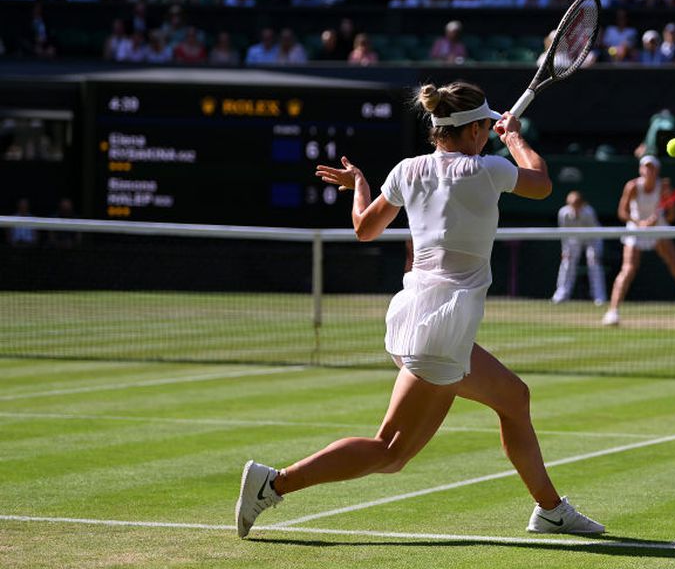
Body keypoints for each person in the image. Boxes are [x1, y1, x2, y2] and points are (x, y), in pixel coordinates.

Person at [236, 81, 604, 538]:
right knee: (390, 450)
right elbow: (541, 183)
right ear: (472, 132)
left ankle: (549, 509)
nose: (489, 132)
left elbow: (364, 228)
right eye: (485, 127)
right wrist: (513, 138)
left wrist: (360, 185)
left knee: (514, 398)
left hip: (421, 315)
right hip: (440, 329)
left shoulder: (407, 170)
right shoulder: (487, 169)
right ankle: (272, 483)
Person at [602, 155, 675, 328]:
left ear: (657, 171)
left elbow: (671, 216)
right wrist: (639, 222)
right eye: (645, 167)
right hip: (635, 228)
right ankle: (613, 312)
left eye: (652, 167)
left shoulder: (663, 187)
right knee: (628, 269)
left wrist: (663, 209)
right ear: (641, 170)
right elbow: (622, 212)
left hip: (658, 229)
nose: (648, 170)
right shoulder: (632, 186)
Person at [551, 190, 606, 306]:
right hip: (574, 238)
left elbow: (594, 233)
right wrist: (565, 250)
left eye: (577, 204)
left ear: (582, 204)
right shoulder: (563, 213)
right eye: (572, 205)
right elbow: (564, 233)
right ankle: (561, 295)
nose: (574, 208)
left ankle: (599, 296)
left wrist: (595, 252)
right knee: (567, 262)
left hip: (592, 238)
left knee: (594, 263)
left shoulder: (589, 212)